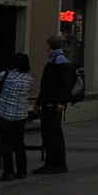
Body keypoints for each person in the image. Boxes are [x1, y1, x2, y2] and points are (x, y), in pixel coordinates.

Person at [0, 52, 32, 181]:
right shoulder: (28, 79)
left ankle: (8, 172)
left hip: (5, 113)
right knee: (19, 143)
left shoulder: (7, 74)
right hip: (21, 115)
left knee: (6, 143)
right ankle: (22, 171)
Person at [33, 35, 75, 174]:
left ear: (49, 45)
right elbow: (46, 85)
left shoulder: (59, 61)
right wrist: (39, 102)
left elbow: (65, 83)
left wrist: (62, 102)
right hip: (49, 102)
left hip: (53, 103)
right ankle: (51, 162)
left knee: (53, 133)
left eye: (46, 45)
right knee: (48, 133)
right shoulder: (55, 60)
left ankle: (57, 163)